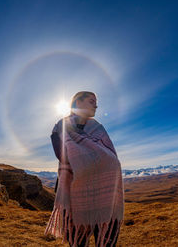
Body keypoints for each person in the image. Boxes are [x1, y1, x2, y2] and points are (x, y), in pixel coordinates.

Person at [44, 91, 124, 247]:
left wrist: (94, 159)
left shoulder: (98, 128)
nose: (96, 105)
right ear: (77, 103)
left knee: (107, 239)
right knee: (78, 241)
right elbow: (65, 157)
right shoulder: (62, 127)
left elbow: (111, 156)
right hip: (75, 192)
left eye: (96, 102)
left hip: (106, 195)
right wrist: (95, 159)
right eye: (91, 101)